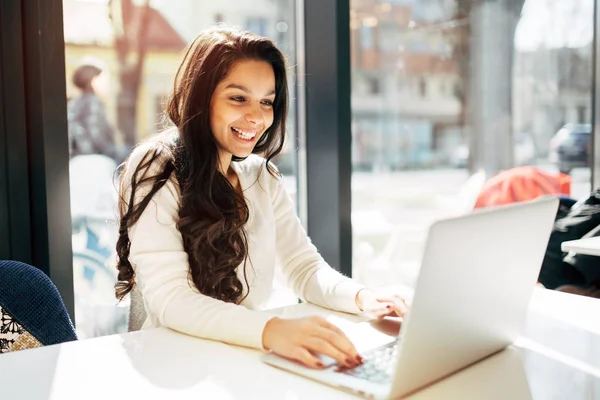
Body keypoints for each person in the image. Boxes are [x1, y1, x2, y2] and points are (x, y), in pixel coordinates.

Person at [114, 25, 409, 370]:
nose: (256, 117)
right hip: (179, 366)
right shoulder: (156, 166)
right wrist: (271, 330)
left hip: (244, 357)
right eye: (238, 98)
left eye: (267, 102)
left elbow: (304, 268)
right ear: (199, 96)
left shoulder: (262, 176)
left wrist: (364, 298)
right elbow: (173, 300)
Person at [67, 63, 117, 159]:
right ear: (91, 81)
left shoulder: (76, 102)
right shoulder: (92, 102)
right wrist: (110, 151)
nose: (106, 82)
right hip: (93, 158)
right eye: (101, 78)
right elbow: (95, 133)